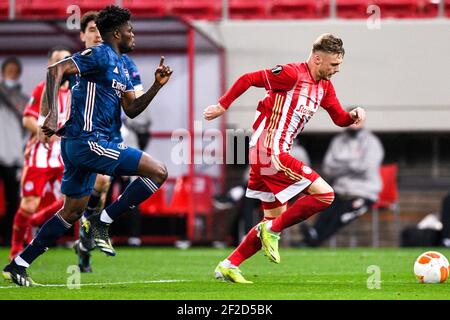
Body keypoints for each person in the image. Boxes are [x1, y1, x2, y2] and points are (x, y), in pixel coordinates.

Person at [2, 5, 172, 287]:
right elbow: (56, 69)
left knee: (71, 212)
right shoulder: (100, 54)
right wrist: (53, 113)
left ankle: (18, 264)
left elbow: (131, 109)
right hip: (88, 142)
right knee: (158, 172)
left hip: (80, 146)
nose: (133, 35)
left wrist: (156, 86)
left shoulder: (122, 65)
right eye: (130, 30)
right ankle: (100, 222)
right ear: (117, 33)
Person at [203, 33, 365, 283]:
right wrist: (223, 105)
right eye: (333, 65)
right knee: (325, 195)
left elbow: (339, 118)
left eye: (339, 65)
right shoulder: (290, 74)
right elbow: (248, 79)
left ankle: (228, 265)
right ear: (318, 58)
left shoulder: (324, 87)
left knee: (273, 218)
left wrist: (353, 116)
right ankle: (271, 231)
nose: (337, 70)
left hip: (271, 154)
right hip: (269, 150)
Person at [71, 11, 146, 273]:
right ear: (82, 35)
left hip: (110, 132)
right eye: (89, 30)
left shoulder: (126, 64)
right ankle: (85, 236)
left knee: (101, 185)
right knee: (76, 201)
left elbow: (134, 102)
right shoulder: (78, 63)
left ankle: (86, 240)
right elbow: (56, 86)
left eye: (96, 29)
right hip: (77, 133)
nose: (94, 34)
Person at [8, 46, 72, 260]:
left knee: (72, 199)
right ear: (50, 65)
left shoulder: (76, 91)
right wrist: (44, 130)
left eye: (66, 61)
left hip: (64, 155)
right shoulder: (42, 88)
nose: (62, 66)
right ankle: (16, 249)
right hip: (40, 155)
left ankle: (36, 221)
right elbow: (27, 118)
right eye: (57, 61)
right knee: (28, 204)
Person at [299, 117, 384, 247]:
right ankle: (313, 236)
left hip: (364, 192)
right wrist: (352, 164)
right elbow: (328, 168)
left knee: (341, 216)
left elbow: (365, 167)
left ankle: (313, 240)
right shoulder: (338, 141)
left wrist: (341, 164)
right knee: (326, 208)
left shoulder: (372, 142)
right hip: (340, 189)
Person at [0, 57, 29, 246]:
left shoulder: (25, 100)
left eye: (14, 70)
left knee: (13, 201)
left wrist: (22, 151)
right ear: (3, 72)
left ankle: (10, 239)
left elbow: (28, 130)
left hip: (13, 157)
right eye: (8, 70)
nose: (11, 73)